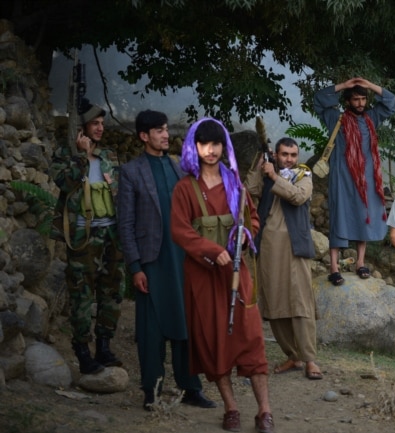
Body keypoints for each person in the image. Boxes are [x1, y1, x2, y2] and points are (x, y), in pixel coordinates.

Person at [170, 118, 274, 433]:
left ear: (222, 147)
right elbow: (180, 230)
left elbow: (252, 220)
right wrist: (211, 250)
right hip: (202, 277)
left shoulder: (235, 184)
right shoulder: (184, 189)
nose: (211, 150)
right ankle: (231, 408)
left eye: (216, 144)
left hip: (236, 276)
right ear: (195, 147)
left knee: (252, 338)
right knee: (213, 342)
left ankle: (264, 411)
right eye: (204, 144)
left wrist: (245, 235)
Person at [117, 110, 216, 411]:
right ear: (143, 136)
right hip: (151, 261)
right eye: (158, 130)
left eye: (165, 129)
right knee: (151, 328)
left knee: (186, 323)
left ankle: (190, 387)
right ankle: (152, 388)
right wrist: (135, 267)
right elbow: (126, 224)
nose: (165, 135)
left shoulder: (177, 169)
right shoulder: (131, 172)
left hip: (181, 259)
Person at [51, 98, 124, 375]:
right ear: (81, 128)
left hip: (111, 234)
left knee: (111, 290)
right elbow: (65, 183)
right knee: (82, 294)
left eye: (103, 124)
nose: (100, 128)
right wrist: (81, 156)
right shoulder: (65, 156)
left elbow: (121, 193)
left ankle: (104, 347)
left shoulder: (108, 157)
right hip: (83, 236)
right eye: (95, 123)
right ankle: (82, 351)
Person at [245, 137, 323, 380]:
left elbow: (299, 197)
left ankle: (310, 359)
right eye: (284, 155)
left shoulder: (304, 176)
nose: (289, 159)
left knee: (301, 305)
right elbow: (248, 191)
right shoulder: (268, 173)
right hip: (267, 248)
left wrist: (275, 177)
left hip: (295, 248)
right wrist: (260, 164)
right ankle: (293, 356)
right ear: (276, 156)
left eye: (293, 155)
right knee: (274, 304)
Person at [314, 77, 395, 286]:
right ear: (347, 101)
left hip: (367, 178)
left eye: (363, 99)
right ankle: (334, 267)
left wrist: (370, 85)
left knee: (364, 215)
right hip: (342, 177)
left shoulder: (372, 118)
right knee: (339, 215)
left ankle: (360, 262)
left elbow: (390, 101)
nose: (360, 103)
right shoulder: (336, 118)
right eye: (355, 99)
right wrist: (343, 85)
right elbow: (319, 98)